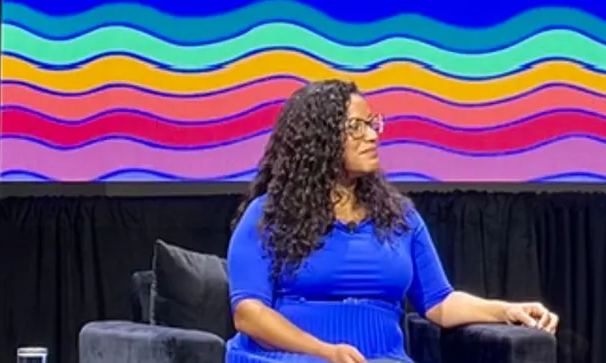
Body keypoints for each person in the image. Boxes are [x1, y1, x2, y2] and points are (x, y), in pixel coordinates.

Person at [226, 79, 558, 363]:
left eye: (373, 124)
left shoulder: (399, 217)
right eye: (356, 127)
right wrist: (326, 352)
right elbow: (249, 314)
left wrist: (505, 311)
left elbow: (439, 302)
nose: (372, 136)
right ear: (319, 140)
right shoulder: (268, 214)